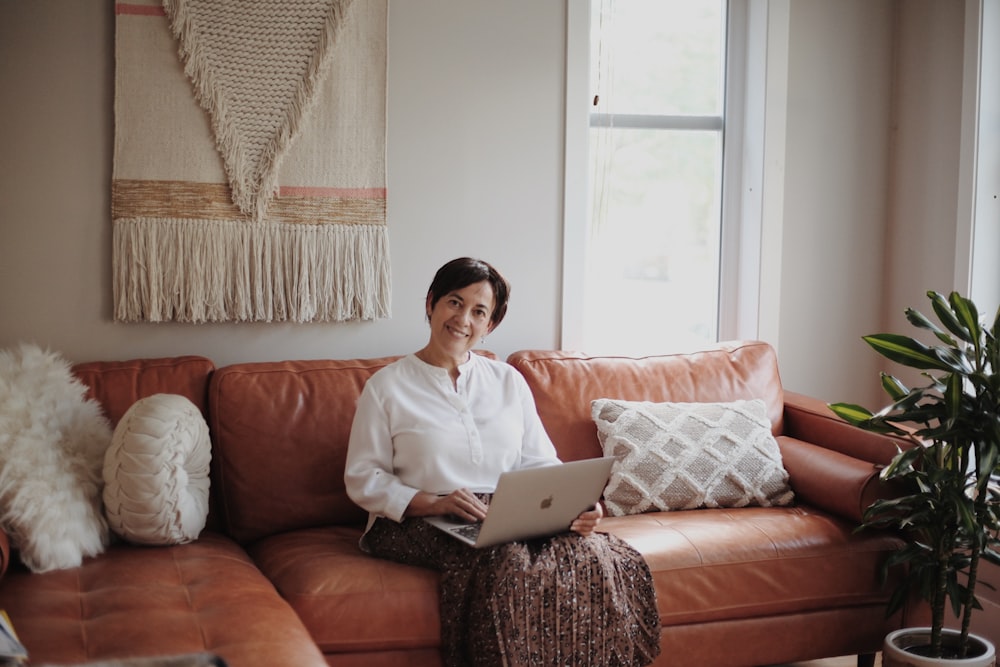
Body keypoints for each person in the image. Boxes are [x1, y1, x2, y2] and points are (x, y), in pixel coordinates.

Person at [344, 257, 660, 666]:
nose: (463, 319)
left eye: (479, 312)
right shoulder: (386, 387)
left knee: (596, 555)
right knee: (506, 559)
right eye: (454, 303)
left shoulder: (507, 381)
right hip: (413, 519)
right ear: (431, 304)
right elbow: (363, 477)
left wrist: (575, 507)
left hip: (505, 510)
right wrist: (432, 501)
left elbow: (540, 461)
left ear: (490, 325)